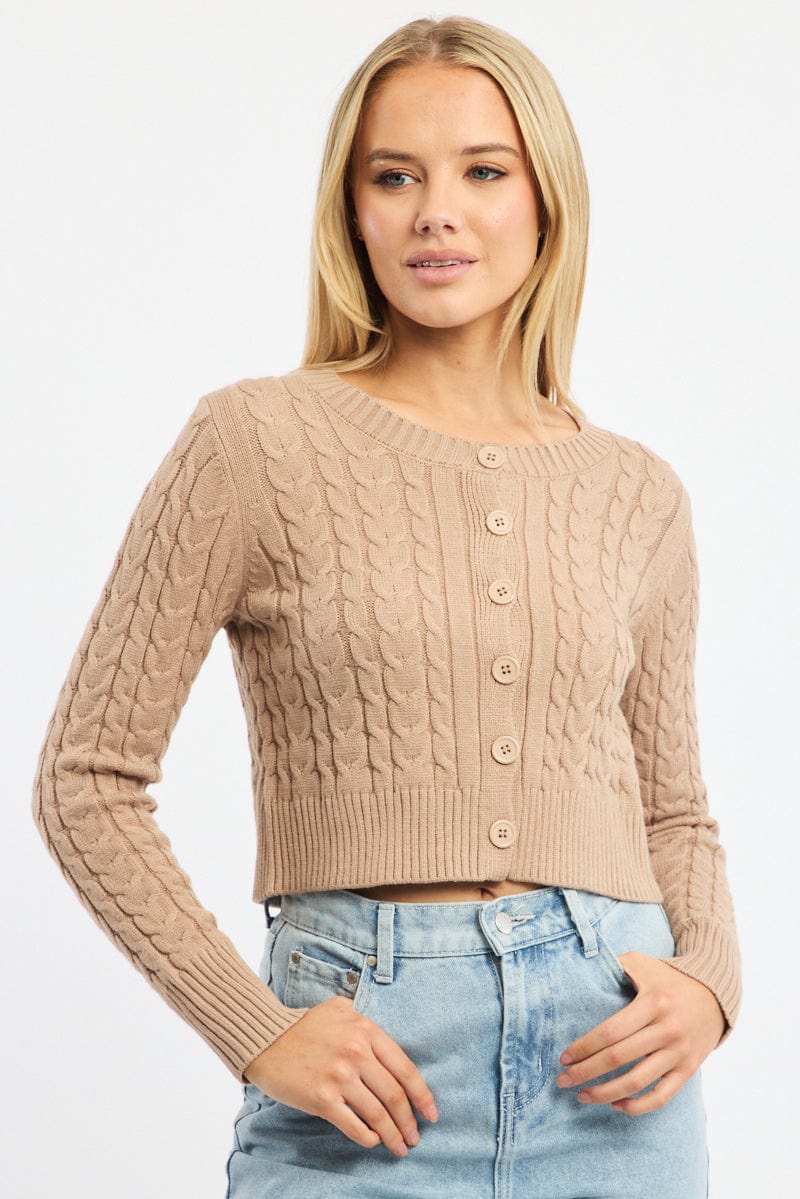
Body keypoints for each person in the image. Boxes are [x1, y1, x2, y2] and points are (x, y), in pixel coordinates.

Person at [32, 14, 742, 1198]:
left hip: (615, 1072)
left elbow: (673, 807)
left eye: (482, 172)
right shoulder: (253, 441)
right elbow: (85, 776)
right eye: (394, 176)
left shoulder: (637, 491)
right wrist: (255, 1029)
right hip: (368, 1067)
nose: (435, 214)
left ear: (546, 199)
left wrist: (711, 982)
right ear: (350, 209)